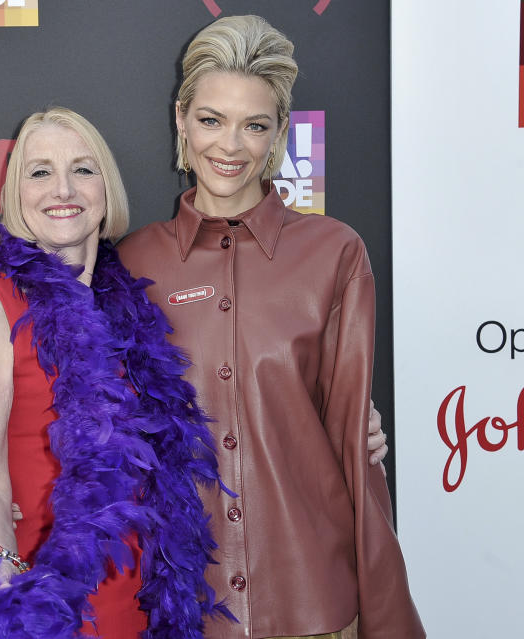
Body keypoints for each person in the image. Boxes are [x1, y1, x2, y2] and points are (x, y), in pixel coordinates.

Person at [118, 15, 425, 639]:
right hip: (187, 613)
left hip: (316, 603)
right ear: (180, 120)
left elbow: (352, 448)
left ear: (279, 133)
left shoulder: (335, 253)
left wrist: (387, 616)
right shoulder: (130, 264)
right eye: (210, 120)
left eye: (254, 125)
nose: (230, 146)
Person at [0, 107, 228, 639]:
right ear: (16, 195)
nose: (62, 189)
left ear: (106, 189)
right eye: (40, 171)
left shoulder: (135, 307)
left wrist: (351, 423)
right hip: (56, 607)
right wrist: (4, 577)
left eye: (82, 168)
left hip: (150, 605)